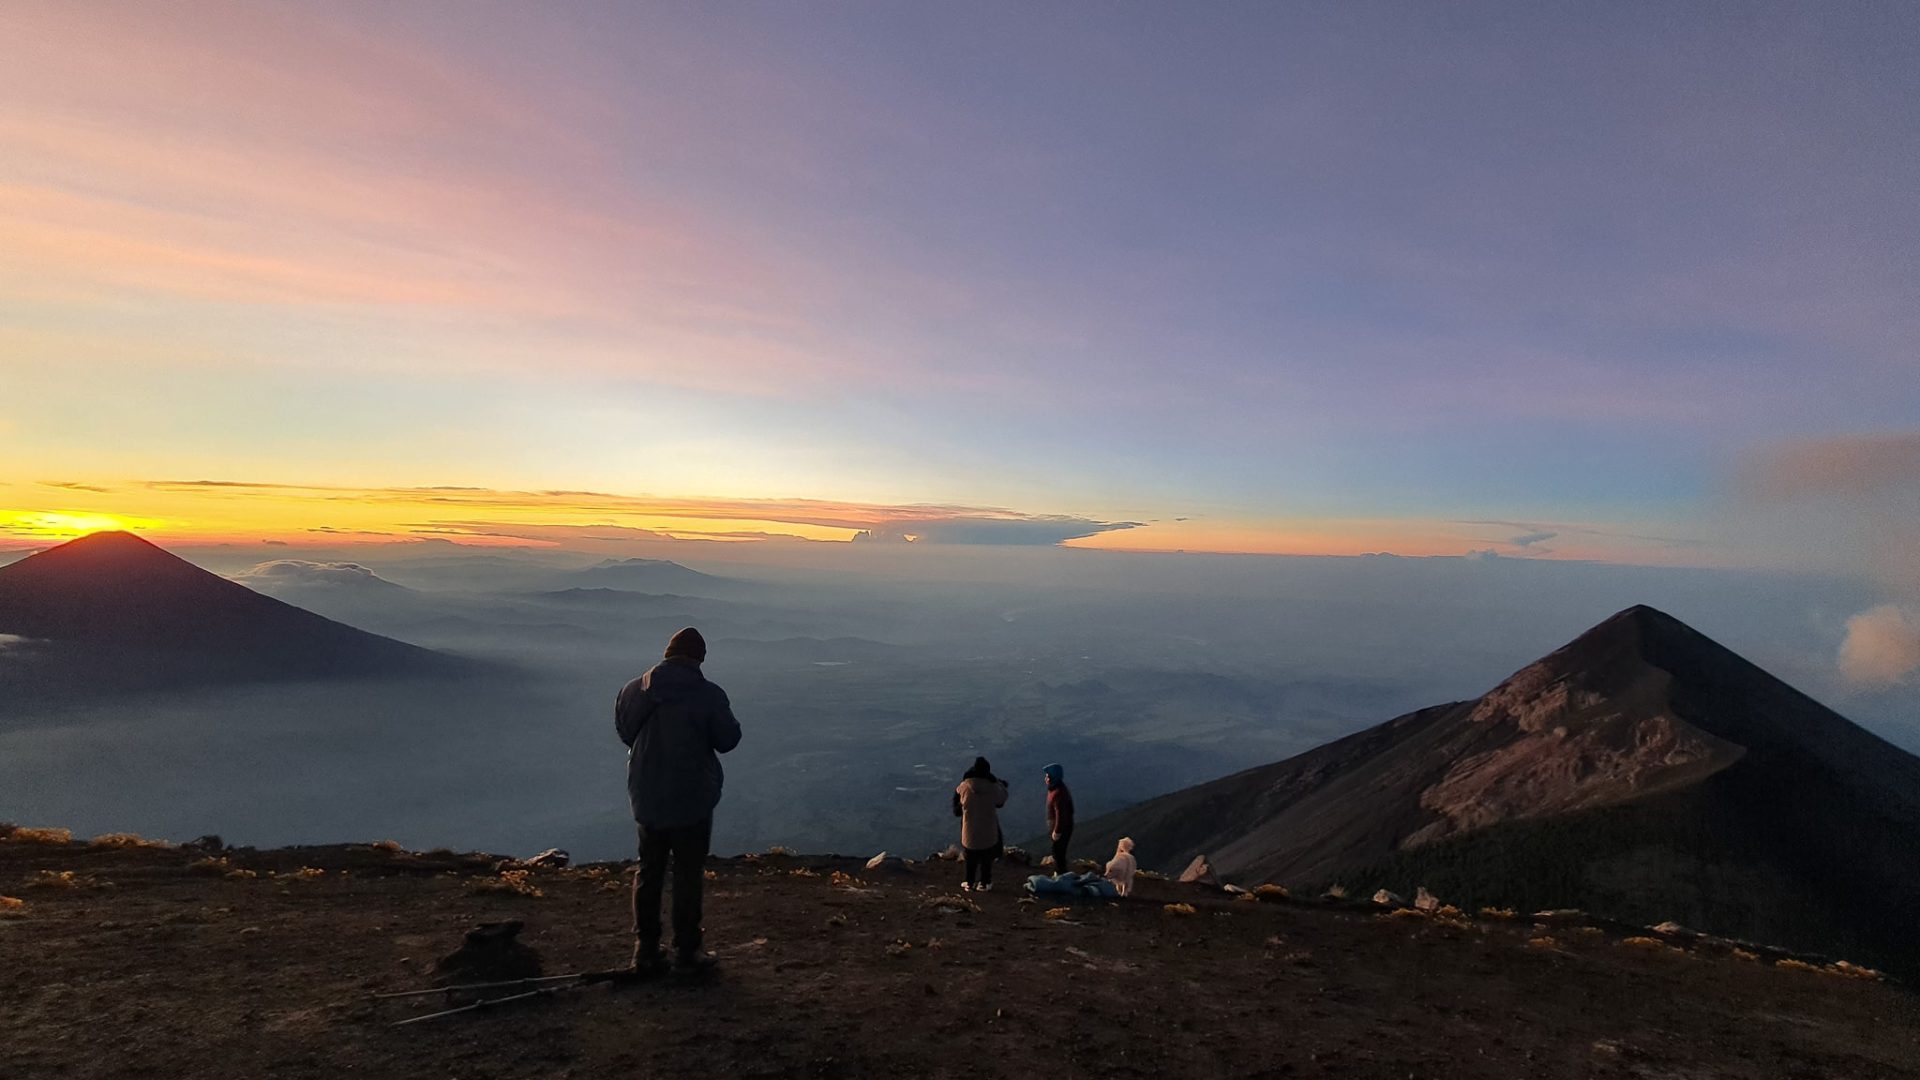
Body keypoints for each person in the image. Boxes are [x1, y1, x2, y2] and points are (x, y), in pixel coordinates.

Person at [615, 626, 741, 976]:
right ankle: (687, 951)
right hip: (692, 796)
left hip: (646, 792)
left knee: (649, 869)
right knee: (687, 873)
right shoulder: (708, 695)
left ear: (667, 653)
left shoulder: (631, 691)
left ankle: (645, 950)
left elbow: (626, 733)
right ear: (699, 658)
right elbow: (727, 739)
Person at [952, 756, 1008, 892]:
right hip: (988, 832)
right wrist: (999, 784)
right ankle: (984, 883)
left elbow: (957, 808)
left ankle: (969, 883)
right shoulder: (993, 787)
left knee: (970, 859)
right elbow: (1001, 801)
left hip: (969, 831)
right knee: (986, 860)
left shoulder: (964, 786)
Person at [1043, 763, 1074, 875]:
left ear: (1053, 777)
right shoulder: (1056, 789)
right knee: (1058, 851)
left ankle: (1061, 874)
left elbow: (1061, 815)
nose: (1045, 778)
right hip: (1061, 827)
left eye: (1047, 776)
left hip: (1062, 828)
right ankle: (1061, 873)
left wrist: (1057, 831)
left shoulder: (1058, 793)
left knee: (1058, 852)